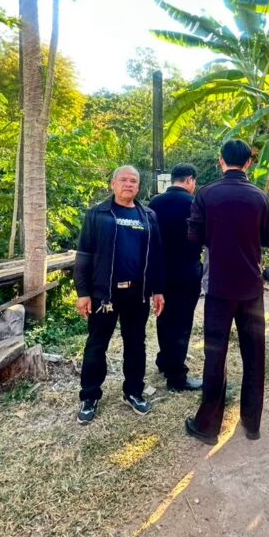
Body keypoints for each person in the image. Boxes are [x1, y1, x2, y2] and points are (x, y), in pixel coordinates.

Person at [184, 139, 269, 445]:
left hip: (219, 287)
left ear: (221, 161)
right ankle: (252, 423)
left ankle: (208, 427)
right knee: (254, 355)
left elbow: (194, 236)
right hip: (252, 287)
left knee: (215, 354)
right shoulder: (261, 196)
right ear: (248, 163)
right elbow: (267, 240)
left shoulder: (206, 194)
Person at [74, 165, 165, 425]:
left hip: (137, 294)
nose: (128, 184)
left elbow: (156, 256)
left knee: (136, 343)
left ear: (138, 186)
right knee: (96, 345)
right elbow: (84, 254)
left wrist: (158, 289)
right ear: (113, 184)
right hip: (104, 294)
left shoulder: (148, 216)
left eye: (133, 181)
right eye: (123, 180)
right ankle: (89, 396)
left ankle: (133, 392)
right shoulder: (97, 214)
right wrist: (83, 292)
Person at [149, 163, 204, 392]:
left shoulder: (155, 203)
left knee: (164, 317)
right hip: (186, 271)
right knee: (181, 323)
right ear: (190, 180)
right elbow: (203, 237)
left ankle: (164, 361)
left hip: (160, 272)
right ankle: (176, 377)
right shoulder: (194, 203)